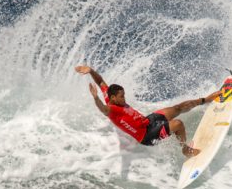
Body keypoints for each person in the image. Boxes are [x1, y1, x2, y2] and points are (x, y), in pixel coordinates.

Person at [75, 65, 221, 157]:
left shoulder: (109, 95)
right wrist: (95, 98)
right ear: (113, 98)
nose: (125, 99)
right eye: (122, 97)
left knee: (177, 108)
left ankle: (206, 100)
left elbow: (100, 81)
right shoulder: (111, 109)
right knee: (178, 124)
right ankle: (185, 150)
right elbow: (103, 109)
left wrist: (90, 71)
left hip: (148, 121)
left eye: (124, 95)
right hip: (146, 136)